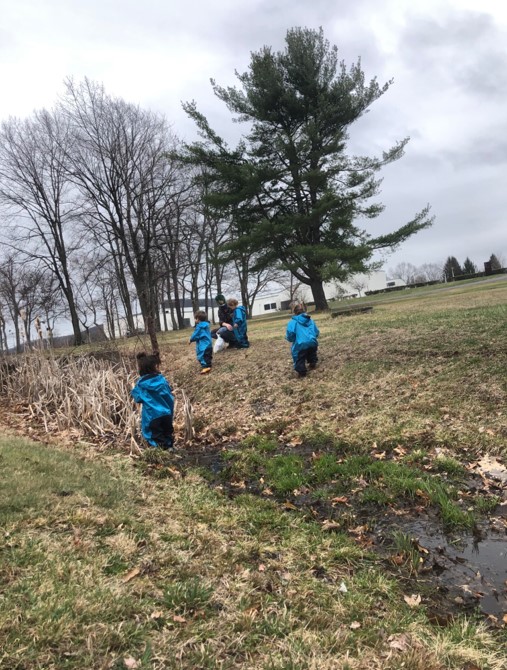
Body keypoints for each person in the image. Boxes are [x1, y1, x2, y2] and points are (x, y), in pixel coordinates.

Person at [131, 352, 174, 449]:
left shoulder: (141, 384)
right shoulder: (162, 380)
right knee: (167, 433)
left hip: (153, 416)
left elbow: (138, 399)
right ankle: (170, 448)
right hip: (167, 413)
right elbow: (169, 394)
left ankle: (163, 453)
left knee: (155, 436)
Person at [285, 303, 319, 377]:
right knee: (311, 351)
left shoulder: (292, 322)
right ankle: (313, 362)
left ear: (294, 311)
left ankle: (302, 371)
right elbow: (316, 331)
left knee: (299, 357)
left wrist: (292, 339)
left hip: (300, 344)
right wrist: (313, 336)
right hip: (312, 341)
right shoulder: (310, 320)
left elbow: (290, 334)